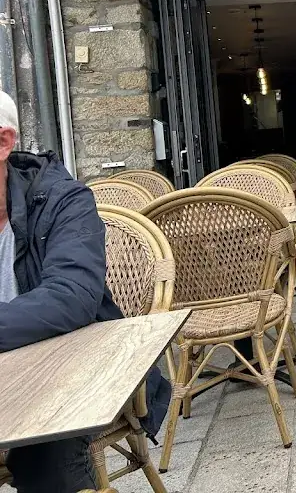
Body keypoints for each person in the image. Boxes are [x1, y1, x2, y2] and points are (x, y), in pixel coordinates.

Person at [0, 91, 168, 492]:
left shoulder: (61, 199)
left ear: (4, 142)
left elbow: (71, 296)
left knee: (45, 458)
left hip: (68, 368)